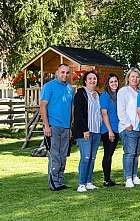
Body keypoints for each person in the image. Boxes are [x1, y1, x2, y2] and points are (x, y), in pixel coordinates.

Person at [40, 63, 74, 191]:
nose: (65, 75)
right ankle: (53, 183)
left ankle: (60, 181)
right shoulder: (49, 87)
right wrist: (46, 126)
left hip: (66, 128)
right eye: (62, 72)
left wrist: (71, 127)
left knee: (63, 155)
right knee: (54, 156)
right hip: (53, 126)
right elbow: (43, 106)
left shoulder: (70, 88)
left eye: (67, 72)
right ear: (57, 72)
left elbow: (71, 108)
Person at [73, 71, 102, 192]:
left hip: (96, 131)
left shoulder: (97, 94)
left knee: (92, 157)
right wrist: (85, 129)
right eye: (89, 78)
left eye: (94, 78)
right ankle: (81, 184)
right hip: (85, 131)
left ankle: (89, 182)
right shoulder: (81, 93)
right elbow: (78, 113)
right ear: (85, 80)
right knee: (85, 157)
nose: (92, 81)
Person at [117, 68, 140, 188]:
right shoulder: (123, 91)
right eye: (132, 76)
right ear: (128, 78)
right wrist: (127, 124)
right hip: (128, 127)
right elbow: (121, 109)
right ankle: (128, 178)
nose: (135, 79)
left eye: (137, 77)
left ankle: (134, 176)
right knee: (129, 153)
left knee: (136, 153)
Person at [100, 73, 120, 187]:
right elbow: (104, 114)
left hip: (117, 128)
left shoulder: (118, 95)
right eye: (111, 82)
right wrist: (110, 131)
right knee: (108, 154)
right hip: (108, 130)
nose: (114, 83)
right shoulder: (105, 96)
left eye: (116, 81)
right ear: (108, 83)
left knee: (110, 154)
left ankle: (108, 178)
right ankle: (106, 180)